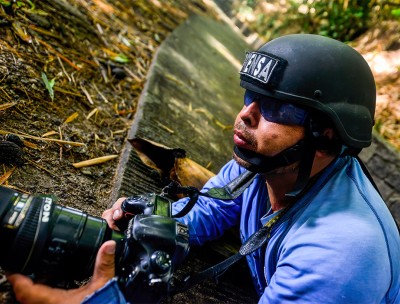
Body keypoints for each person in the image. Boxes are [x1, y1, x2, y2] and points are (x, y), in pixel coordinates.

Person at [8, 34, 400, 303]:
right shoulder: (266, 167)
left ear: (327, 135)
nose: (245, 115)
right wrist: (152, 228)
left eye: (278, 108)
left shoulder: (340, 253)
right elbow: (209, 211)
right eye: (251, 96)